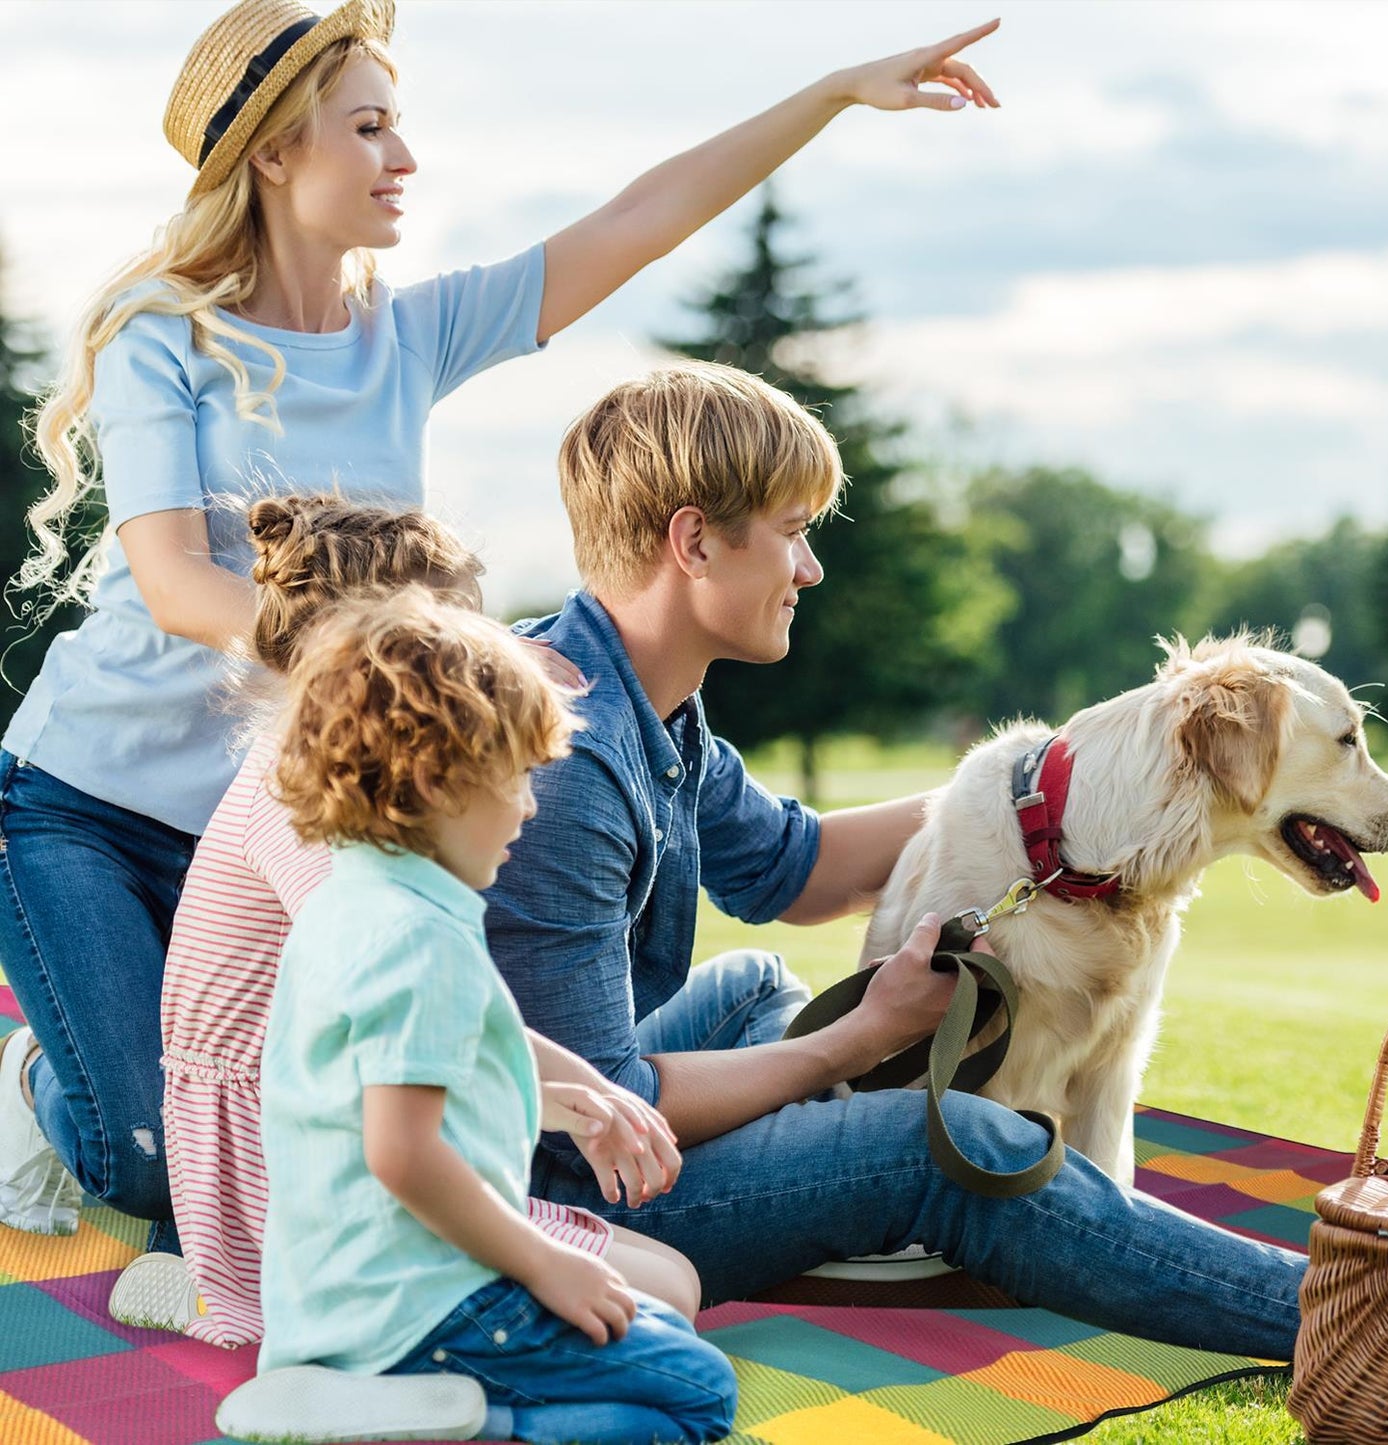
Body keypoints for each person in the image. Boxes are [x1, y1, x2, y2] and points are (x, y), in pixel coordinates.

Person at [0, 0, 1002, 1240]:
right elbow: (174, 584)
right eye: (368, 129)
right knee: (142, 1153)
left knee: (285, 1142)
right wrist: (428, 666)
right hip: (86, 805)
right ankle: (38, 1083)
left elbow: (636, 221)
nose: (403, 160)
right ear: (272, 152)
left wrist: (836, 90)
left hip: (262, 825)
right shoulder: (167, 333)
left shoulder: (407, 338)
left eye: (398, 126)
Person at [481, 361, 1309, 1361]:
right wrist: (852, 1041)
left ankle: (836, 1178)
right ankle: (1350, 1313)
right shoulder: (567, 763)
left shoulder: (643, 699)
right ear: (693, 541)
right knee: (951, 1143)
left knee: (754, 984)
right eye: (792, 532)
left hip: (580, 1119)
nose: (810, 569)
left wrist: (1041, 789)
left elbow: (794, 868)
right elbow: (592, 1116)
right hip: (557, 1191)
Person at [107, 494, 694, 1350]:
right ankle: (223, 1281)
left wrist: (592, 1094)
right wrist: (573, 1099)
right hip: (298, 1168)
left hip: (332, 1118)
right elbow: (412, 1003)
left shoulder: (321, 769)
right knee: (667, 1294)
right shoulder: (318, 815)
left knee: (670, 1278)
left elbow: (440, 1011)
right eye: (461, 637)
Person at [216, 588, 735, 1445]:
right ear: (435, 778)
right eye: (518, 779)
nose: (530, 809)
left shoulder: (361, 895)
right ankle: (448, 1420)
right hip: (423, 1304)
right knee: (696, 1388)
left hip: (345, 1301)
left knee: (657, 1337)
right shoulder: (417, 936)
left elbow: (460, 1037)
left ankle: (409, 1408)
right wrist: (544, 1262)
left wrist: (577, 1097)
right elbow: (402, 1150)